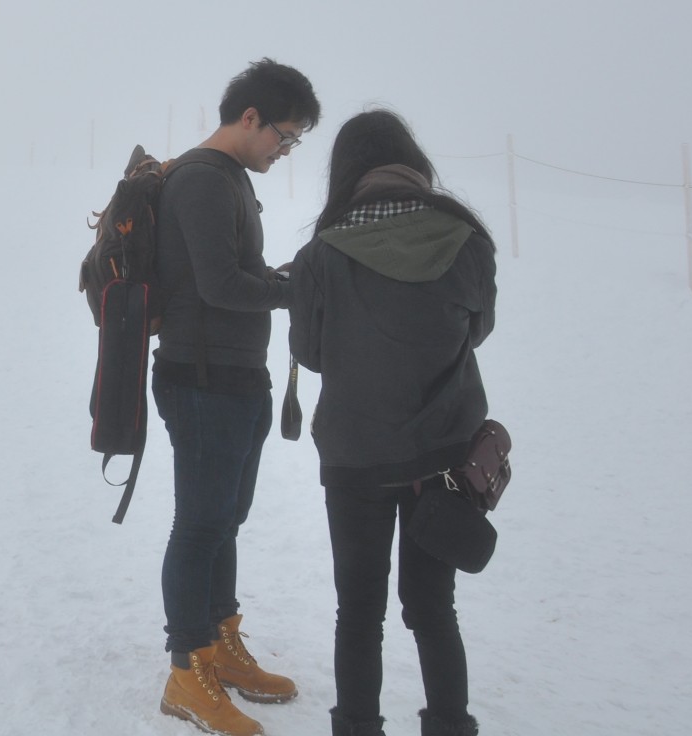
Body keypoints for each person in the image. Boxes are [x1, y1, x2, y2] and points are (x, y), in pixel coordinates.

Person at [288, 111, 495, 736]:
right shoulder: (466, 237)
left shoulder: (321, 252)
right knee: (434, 609)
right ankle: (450, 725)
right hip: (442, 456)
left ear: (346, 171)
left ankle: (356, 726)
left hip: (354, 459)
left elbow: (311, 354)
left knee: (358, 612)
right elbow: (478, 328)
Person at [152, 58, 321, 736]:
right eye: (285, 135)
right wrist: (292, 290)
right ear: (249, 118)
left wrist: (281, 277)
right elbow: (221, 286)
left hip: (236, 375)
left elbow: (231, 274)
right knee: (199, 523)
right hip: (201, 381)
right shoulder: (198, 180)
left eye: (296, 140)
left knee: (225, 519)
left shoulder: (229, 181)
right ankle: (186, 670)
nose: (286, 150)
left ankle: (220, 643)